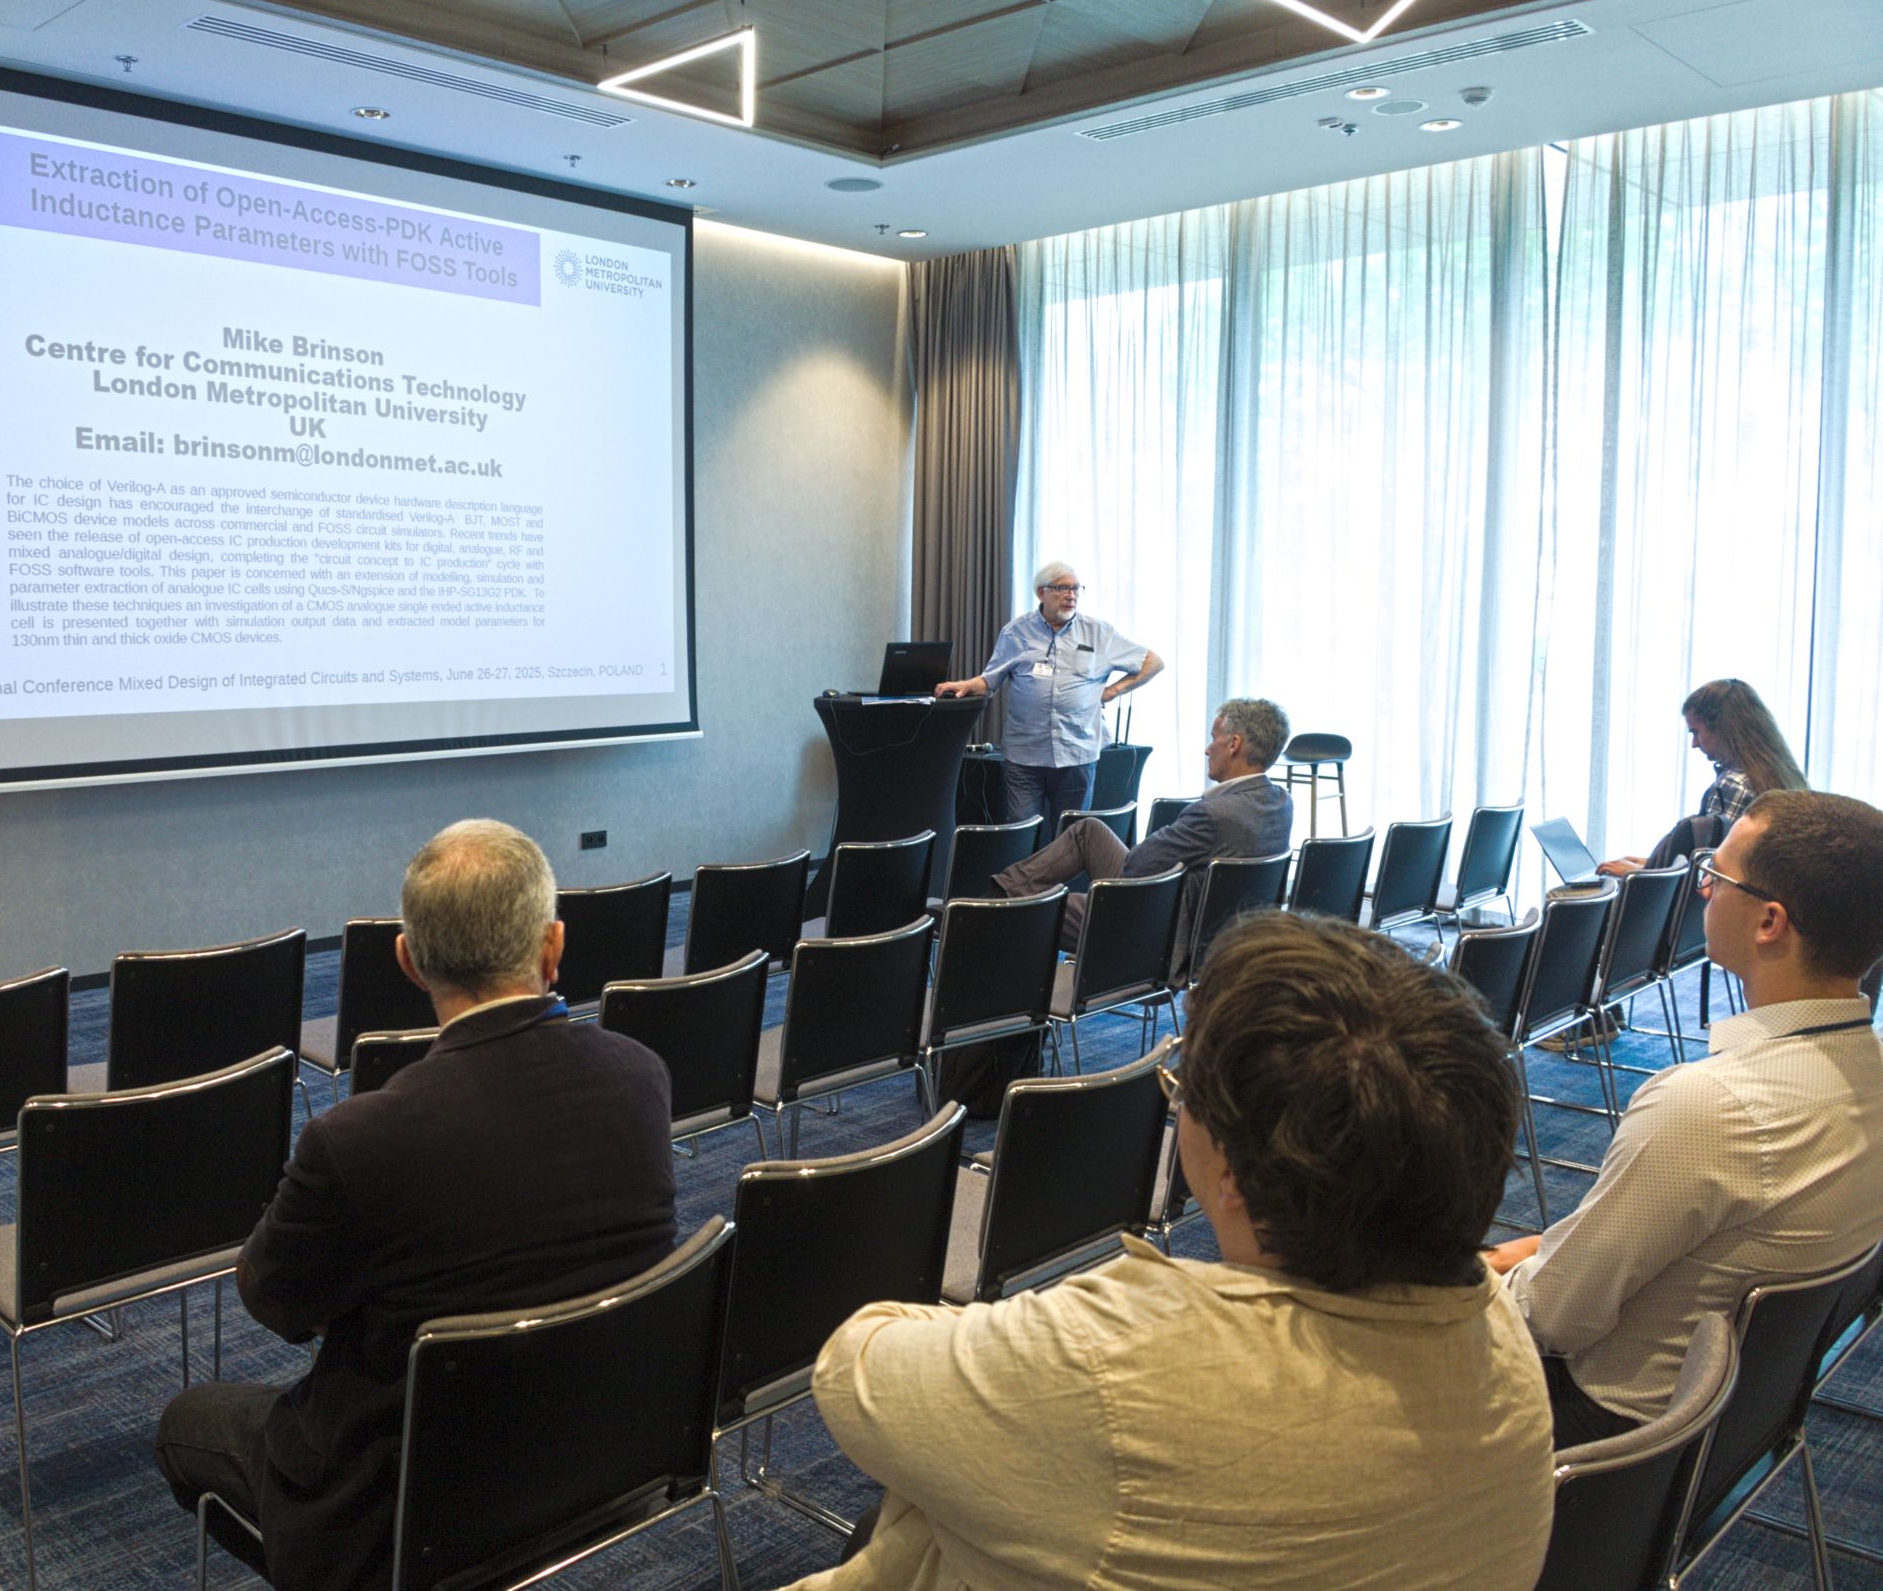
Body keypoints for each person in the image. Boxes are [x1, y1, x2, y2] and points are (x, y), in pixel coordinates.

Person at [786, 911, 1555, 1591]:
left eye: (1182, 1088)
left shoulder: (1118, 1354)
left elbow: (853, 1369)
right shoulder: (1498, 1329)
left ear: (1232, 1175)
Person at [154, 819, 677, 1591]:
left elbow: (274, 1299)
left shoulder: (358, 1139)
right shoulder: (643, 1075)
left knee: (184, 1425)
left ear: (407, 960)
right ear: (553, 945)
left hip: (409, 1513)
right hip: (605, 1457)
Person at [1491, 789, 1883, 1446]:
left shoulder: (1709, 1108)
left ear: (1770, 922)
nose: (1703, 889)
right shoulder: (1866, 1073)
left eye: (1717, 875)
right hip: (1740, 1421)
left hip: (1613, 1433)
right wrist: (1541, 1249)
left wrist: (1460, 1284)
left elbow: (1549, 1319)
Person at [990, 695, 1292, 955]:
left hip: (1156, 932)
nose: (1207, 749)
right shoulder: (1280, 801)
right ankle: (1000, 895)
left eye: (1214, 739)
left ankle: (990, 910)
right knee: (1088, 830)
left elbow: (1137, 866)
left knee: (1033, 909)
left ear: (1234, 744)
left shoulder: (1212, 814)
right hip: (1218, 932)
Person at [936, 561, 1163, 842]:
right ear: (1041, 592)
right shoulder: (1016, 632)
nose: (1071, 595)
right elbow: (989, 681)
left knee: (1071, 837)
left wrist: (1112, 691)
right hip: (1025, 755)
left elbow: (1153, 662)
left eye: (1076, 589)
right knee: (1020, 834)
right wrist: (965, 685)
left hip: (1077, 752)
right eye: (1062, 588)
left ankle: (1061, 874)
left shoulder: (1098, 632)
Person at [1598, 677, 1808, 876]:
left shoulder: (1734, 784)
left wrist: (1642, 874)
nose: (1694, 743)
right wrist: (1655, 863)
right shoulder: (1781, 774)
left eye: (1696, 732)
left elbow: (1709, 873)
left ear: (1723, 730)